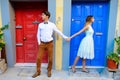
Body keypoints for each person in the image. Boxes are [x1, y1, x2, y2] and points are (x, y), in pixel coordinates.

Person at [32, 11, 69, 78]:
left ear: (47, 16)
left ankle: (49, 71)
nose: (41, 16)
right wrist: (39, 43)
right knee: (38, 58)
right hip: (42, 44)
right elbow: (38, 34)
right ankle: (38, 71)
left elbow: (58, 31)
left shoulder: (52, 25)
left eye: (43, 15)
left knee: (51, 59)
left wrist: (65, 37)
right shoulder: (40, 25)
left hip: (50, 43)